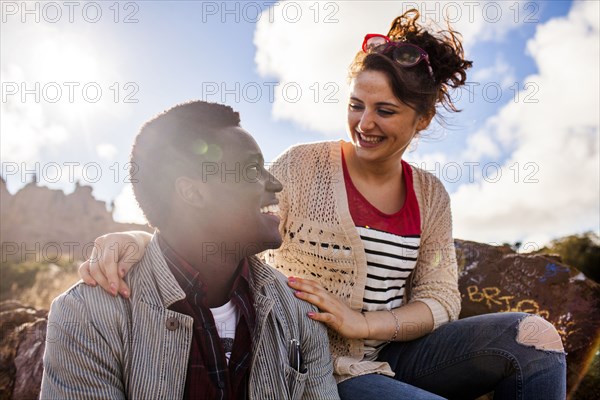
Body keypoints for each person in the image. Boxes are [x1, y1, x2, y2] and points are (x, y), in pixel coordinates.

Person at [79, 10, 567, 400]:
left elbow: (440, 298)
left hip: (404, 353)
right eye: (357, 104)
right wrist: (142, 237)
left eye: (385, 111)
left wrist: (365, 325)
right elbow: (227, 221)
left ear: (422, 119)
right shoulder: (303, 167)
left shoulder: (431, 195)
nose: (364, 123)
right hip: (318, 366)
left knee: (536, 341)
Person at [40, 101, 340, 400]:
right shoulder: (86, 315)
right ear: (192, 192)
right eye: (252, 169)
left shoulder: (299, 312)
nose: (275, 184)